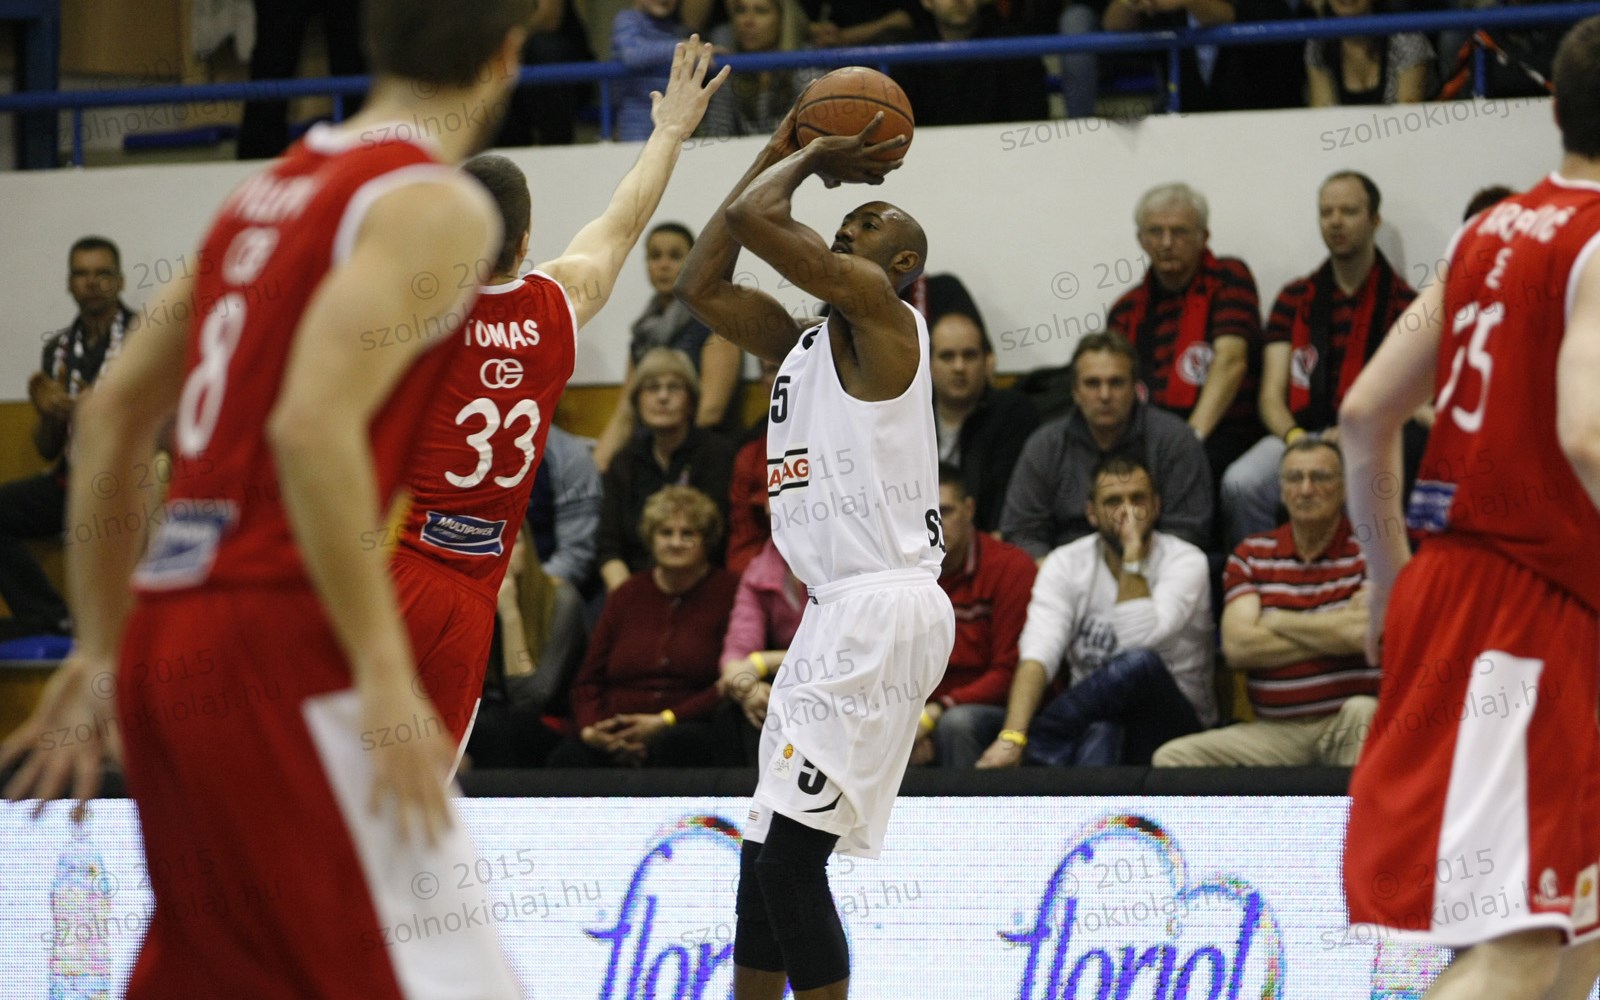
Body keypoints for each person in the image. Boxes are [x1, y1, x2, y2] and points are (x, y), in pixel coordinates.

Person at [1, 3, 540, 996]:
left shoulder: (263, 193)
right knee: (424, 976)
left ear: (372, 41)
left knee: (214, 967)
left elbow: (112, 414)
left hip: (172, 634)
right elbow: (309, 426)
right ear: (506, 57)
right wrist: (383, 671)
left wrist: (100, 646)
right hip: (280, 639)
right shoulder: (436, 204)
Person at [1339, 17, 1600, 998]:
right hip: (1527, 604)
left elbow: (1364, 413)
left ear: (1554, 107)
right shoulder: (1597, 240)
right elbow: (1587, 435)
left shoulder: (1485, 231)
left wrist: (1387, 581)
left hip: (1455, 584)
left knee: (1573, 929)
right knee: (1520, 940)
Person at [675, 103, 953, 998]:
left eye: (870, 223)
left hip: (883, 607)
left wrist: (809, 150)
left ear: (901, 265)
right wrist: (782, 146)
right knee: (761, 862)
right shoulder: (800, 344)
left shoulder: (889, 320)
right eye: (849, 218)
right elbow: (701, 283)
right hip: (833, 616)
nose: (850, 225)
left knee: (791, 865)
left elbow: (756, 216)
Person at [393, 50, 727, 753]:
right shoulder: (557, 304)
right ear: (524, 242)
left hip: (399, 565)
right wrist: (669, 131)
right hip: (476, 586)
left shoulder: (419, 317)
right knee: (425, 782)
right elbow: (624, 220)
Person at [977, 453, 1216, 769]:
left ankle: (1042, 740)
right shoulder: (1066, 563)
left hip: (1175, 723)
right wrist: (1012, 736)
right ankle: (1035, 749)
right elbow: (1038, 654)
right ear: (1091, 513)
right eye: (1113, 501)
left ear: (1156, 506)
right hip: (1093, 719)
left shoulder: (1186, 561)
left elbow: (1138, 641)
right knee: (1102, 733)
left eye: (1138, 499)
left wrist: (1132, 555)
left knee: (1139, 663)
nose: (1127, 511)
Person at [1220, 171, 1418, 546]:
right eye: (1326, 212)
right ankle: (1259, 570)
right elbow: (1270, 397)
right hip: (1300, 433)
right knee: (1241, 483)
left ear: (1374, 220)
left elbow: (1413, 398)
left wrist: (1357, 432)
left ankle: (1355, 576)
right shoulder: (1294, 298)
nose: (1335, 222)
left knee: (1372, 486)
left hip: (1371, 436)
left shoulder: (1407, 305)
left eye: (1349, 211)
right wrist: (1296, 440)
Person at [1154, 438, 1377, 767]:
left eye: (1320, 477)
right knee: (1172, 759)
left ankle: (1355, 806)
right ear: (1282, 491)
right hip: (1276, 732)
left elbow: (1361, 636)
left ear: (1344, 489)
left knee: (1364, 711)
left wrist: (1277, 621)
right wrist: (1333, 631)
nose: (1306, 489)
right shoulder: (1252, 555)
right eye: (1294, 478)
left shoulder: (1370, 554)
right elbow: (1238, 648)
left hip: (1344, 723)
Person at [547, 485, 739, 766]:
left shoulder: (730, 591)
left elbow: (726, 684)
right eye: (666, 533)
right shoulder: (627, 594)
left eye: (688, 534)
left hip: (687, 725)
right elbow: (587, 682)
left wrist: (666, 721)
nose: (675, 542)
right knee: (568, 758)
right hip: (615, 727)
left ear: (707, 541)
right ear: (651, 538)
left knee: (679, 745)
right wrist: (593, 731)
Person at [1, 237, 133, 639]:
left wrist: (105, 408)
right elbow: (47, 448)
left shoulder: (145, 338)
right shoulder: (58, 350)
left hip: (128, 485)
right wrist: (48, 413)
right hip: (71, 483)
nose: (91, 282)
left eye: (102, 274)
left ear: (120, 282)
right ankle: (49, 615)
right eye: (81, 274)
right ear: (69, 284)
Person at [1107, 182, 1264, 503]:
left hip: (1221, 432)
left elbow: (1231, 362)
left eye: (1179, 232)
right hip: (1147, 438)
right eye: (1155, 232)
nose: (1166, 243)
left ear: (1203, 237)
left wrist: (1189, 440)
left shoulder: (1230, 279)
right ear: (1141, 240)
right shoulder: (1126, 309)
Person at [1001, 332, 1213, 557]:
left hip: (1153, 567)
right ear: (1075, 391)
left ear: (1135, 388)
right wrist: (1054, 571)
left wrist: (1133, 568)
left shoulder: (1175, 440)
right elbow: (1021, 531)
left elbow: (1188, 531)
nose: (1104, 395)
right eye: (1092, 383)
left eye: (1116, 383)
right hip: (1065, 569)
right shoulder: (1045, 445)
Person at [593, 222, 745, 470]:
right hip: (651, 454)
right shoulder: (642, 335)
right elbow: (625, 415)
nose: (663, 265)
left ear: (693, 262)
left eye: (675, 256)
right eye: (655, 256)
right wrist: (594, 469)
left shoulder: (715, 324)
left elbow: (710, 411)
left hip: (706, 458)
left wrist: (663, 455)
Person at [913, 465, 1036, 768]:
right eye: (925, 515)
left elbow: (1008, 672)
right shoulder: (906, 576)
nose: (934, 525)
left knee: (958, 724)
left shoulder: (1010, 568)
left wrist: (935, 712)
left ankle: (964, 803)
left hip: (997, 710)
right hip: (925, 708)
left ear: (969, 509)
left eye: (945, 512)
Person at [596, 347, 739, 589]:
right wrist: (627, 596)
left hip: (702, 583)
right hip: (633, 584)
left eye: (674, 387)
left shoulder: (717, 454)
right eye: (652, 388)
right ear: (637, 401)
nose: (663, 397)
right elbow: (609, 546)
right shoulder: (624, 461)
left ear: (691, 401)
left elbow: (716, 539)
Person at [929, 307, 1040, 533]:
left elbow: (1012, 502)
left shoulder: (1013, 415)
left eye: (969, 355)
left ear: (987, 362)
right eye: (947, 356)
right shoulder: (910, 416)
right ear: (928, 364)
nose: (959, 367)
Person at [1100, 0, 1303, 111]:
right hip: (1191, 127)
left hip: (1264, 123)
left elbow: (1225, 15)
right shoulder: (1169, 9)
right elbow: (1114, 24)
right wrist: (1130, 3)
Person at [717, 536, 807, 763]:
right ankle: (758, 784)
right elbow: (735, 656)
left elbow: (847, 651)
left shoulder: (846, 565)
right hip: (793, 679)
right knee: (744, 707)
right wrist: (748, 688)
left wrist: (762, 661)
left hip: (843, 676)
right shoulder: (761, 569)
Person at [891, 0, 1051, 126]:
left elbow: (1031, 124)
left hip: (1003, 154)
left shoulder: (1015, 49)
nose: (959, 0)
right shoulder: (904, 54)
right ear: (926, 1)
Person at [700, 0, 824, 140]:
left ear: (783, 19)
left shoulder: (807, 62)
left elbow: (817, 134)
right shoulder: (730, 65)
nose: (748, 21)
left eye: (761, 11)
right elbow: (716, 134)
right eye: (741, 10)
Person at [1306, 0, 1433, 106]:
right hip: (1343, 128)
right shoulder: (1319, 44)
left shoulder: (1406, 39)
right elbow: (1323, 115)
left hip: (1399, 127)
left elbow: (1407, 117)